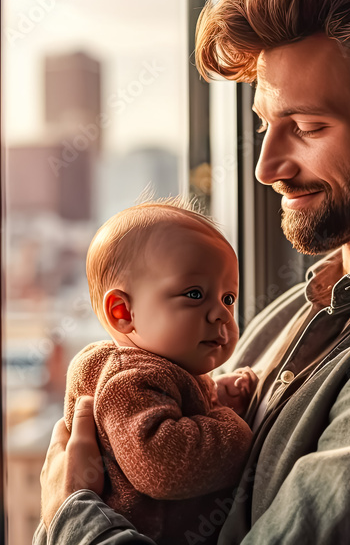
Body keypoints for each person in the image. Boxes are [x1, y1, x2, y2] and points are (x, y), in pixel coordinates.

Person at [37, 0, 350, 543]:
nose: (267, 167)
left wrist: (71, 515)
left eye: (307, 127)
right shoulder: (291, 314)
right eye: (264, 126)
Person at [34, 200, 260, 543]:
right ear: (123, 311)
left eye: (229, 298)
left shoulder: (154, 366)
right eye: (195, 294)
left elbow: (172, 405)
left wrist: (213, 395)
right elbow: (164, 465)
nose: (222, 315)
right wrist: (230, 424)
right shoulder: (129, 379)